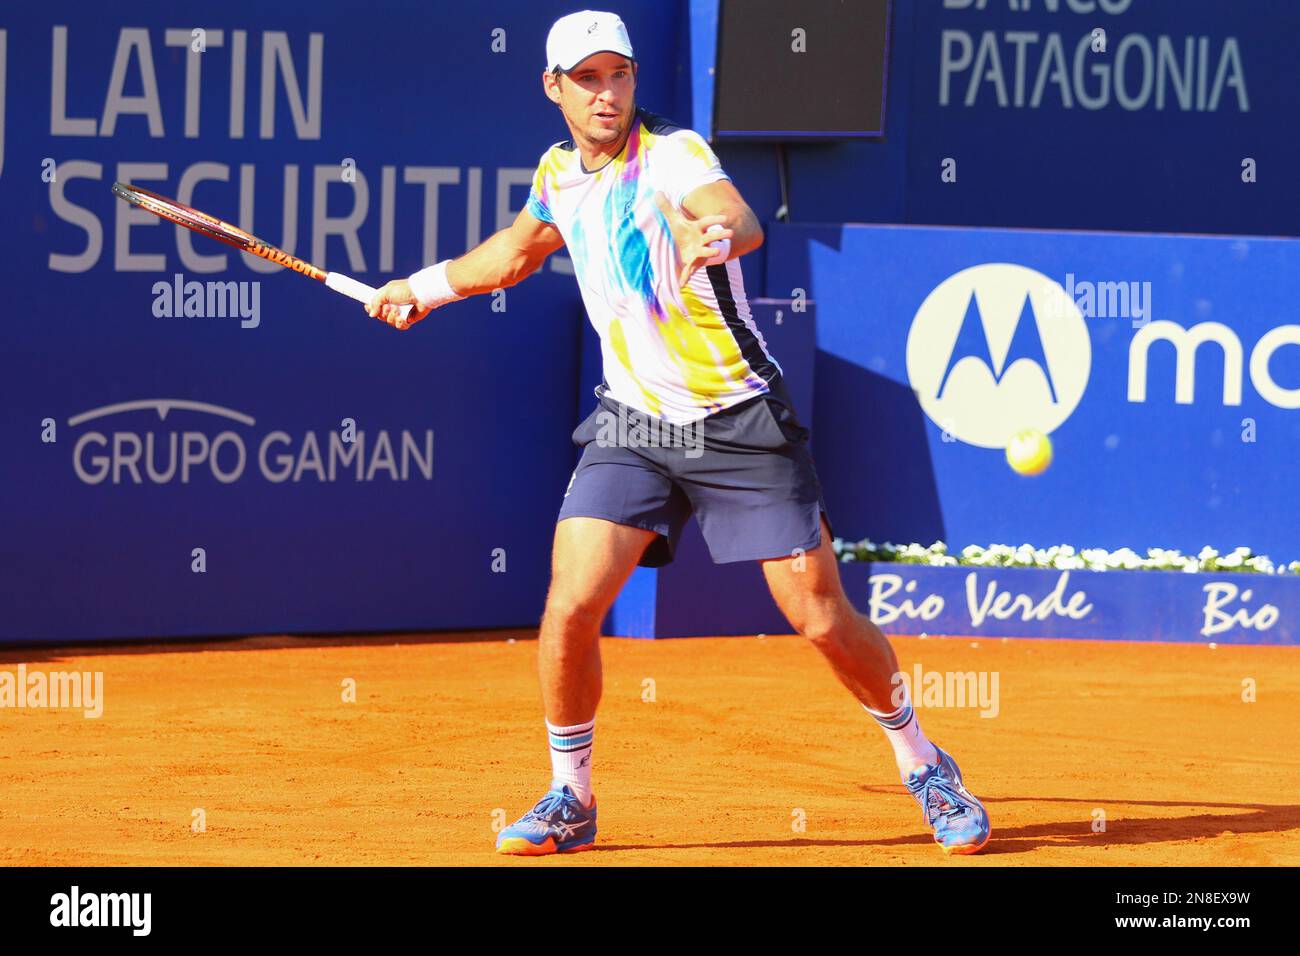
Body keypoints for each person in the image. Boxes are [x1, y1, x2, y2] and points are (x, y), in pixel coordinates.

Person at [366, 9, 990, 857]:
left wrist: (720, 231)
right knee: (571, 605)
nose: (606, 93)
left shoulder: (673, 154)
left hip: (739, 416)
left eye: (617, 74)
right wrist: (420, 288)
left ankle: (924, 761)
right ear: (553, 88)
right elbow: (512, 256)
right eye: (586, 79)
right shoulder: (559, 174)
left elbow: (736, 213)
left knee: (817, 617)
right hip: (633, 422)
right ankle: (570, 797)